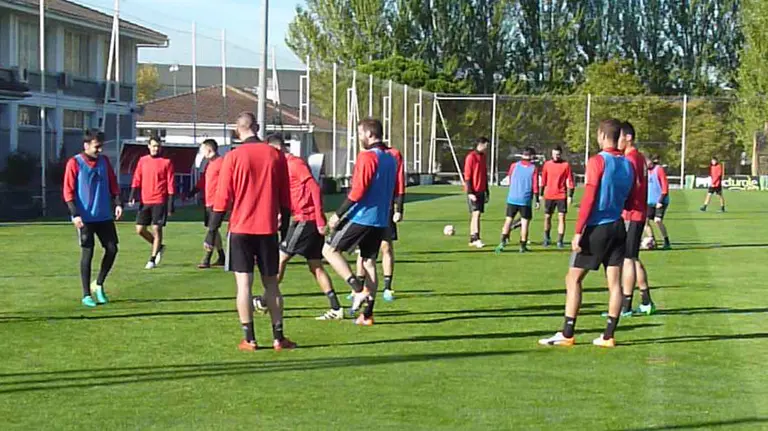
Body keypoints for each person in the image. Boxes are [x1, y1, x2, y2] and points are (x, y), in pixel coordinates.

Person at [538, 119, 634, 348]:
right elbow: (630, 199)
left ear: (602, 135)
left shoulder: (597, 160)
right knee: (614, 283)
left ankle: (567, 332)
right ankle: (608, 336)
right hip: (618, 226)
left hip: (597, 227)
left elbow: (589, 197)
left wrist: (578, 230)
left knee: (573, 278)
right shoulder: (627, 164)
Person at [207, 112, 296, 351]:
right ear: (256, 127)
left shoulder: (233, 157)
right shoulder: (275, 155)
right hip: (267, 228)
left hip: (240, 229)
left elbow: (222, 198)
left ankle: (250, 338)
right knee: (272, 285)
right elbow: (285, 196)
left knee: (244, 285)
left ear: (238, 130)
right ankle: (278, 338)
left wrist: (212, 230)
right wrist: (285, 227)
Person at [322, 118, 400, 326]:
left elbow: (358, 191)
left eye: (360, 133)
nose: (359, 138)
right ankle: (367, 315)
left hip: (362, 216)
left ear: (370, 134)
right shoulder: (391, 158)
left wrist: (338, 214)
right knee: (368, 262)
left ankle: (358, 289)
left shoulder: (367, 156)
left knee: (329, 250)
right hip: (381, 219)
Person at [265, 135, 343, 320]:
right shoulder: (283, 166)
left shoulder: (294, 164)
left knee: (281, 257)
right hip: (304, 218)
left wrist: (320, 219)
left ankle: (264, 300)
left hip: (305, 220)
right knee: (315, 266)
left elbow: (314, 188)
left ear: (277, 149)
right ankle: (336, 308)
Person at [63, 129, 123, 308]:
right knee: (87, 253)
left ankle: (98, 283)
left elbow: (113, 183)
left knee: (112, 249)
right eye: (97, 146)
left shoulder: (104, 162)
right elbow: (68, 191)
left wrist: (118, 203)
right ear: (86, 145)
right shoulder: (75, 163)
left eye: (101, 146)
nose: (99, 150)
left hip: (104, 215)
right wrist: (75, 213)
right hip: (85, 218)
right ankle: (86, 294)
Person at [353, 141, 405, 302]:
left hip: (385, 208)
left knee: (386, 246)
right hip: (366, 210)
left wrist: (399, 208)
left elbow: (400, 182)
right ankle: (358, 288)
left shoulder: (393, 155)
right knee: (363, 250)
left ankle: (387, 287)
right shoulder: (365, 155)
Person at [616, 122, 656, 317]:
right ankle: (646, 301)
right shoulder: (638, 157)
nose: (617, 141)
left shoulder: (631, 159)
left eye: (619, 137)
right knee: (633, 257)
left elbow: (631, 187)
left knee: (628, 260)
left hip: (632, 214)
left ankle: (626, 306)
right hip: (636, 214)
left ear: (628, 138)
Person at [129, 136, 175, 269]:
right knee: (140, 229)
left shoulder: (166, 162)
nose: (156, 148)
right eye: (154, 146)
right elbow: (137, 178)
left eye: (158, 146)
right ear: (148, 146)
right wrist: (133, 195)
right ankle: (159, 246)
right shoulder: (143, 161)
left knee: (156, 228)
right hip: (145, 201)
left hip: (159, 201)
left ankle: (152, 259)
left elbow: (170, 184)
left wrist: (170, 204)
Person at [186, 139, 225, 269]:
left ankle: (207, 259)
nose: (202, 153)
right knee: (213, 229)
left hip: (217, 202)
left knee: (212, 230)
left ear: (209, 149)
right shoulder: (209, 164)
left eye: (203, 150)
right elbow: (203, 181)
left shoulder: (221, 163)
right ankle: (222, 256)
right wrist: (193, 192)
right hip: (209, 202)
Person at [495, 147, 539, 254]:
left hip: (512, 198)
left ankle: (502, 243)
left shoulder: (514, 166)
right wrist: (537, 200)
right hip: (525, 199)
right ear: (531, 156)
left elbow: (510, 178)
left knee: (508, 220)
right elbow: (535, 186)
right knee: (525, 223)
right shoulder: (533, 168)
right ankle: (522, 246)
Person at [540, 146, 575, 248]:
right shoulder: (547, 164)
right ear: (552, 154)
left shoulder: (565, 165)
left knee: (561, 217)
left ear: (561, 154)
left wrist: (570, 195)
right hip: (549, 195)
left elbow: (570, 181)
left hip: (561, 195)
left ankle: (560, 240)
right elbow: (543, 180)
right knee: (547, 217)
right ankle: (546, 238)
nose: (556, 156)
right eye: (554, 154)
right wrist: (541, 195)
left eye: (558, 154)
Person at [464, 137, 490, 248]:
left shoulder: (483, 157)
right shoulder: (471, 157)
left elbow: (484, 174)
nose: (487, 148)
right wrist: (470, 192)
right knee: (476, 213)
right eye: (486, 145)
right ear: (481, 144)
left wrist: (486, 190)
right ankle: (476, 238)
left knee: (476, 215)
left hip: (481, 190)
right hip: (473, 191)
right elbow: (467, 176)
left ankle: (472, 238)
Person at [645, 155, 671, 250]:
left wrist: (660, 201)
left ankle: (666, 241)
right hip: (649, 201)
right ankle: (652, 240)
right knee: (644, 222)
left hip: (661, 201)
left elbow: (665, 186)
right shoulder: (645, 172)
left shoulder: (658, 169)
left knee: (658, 220)